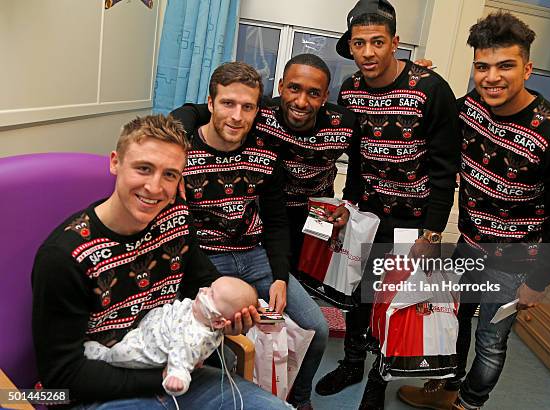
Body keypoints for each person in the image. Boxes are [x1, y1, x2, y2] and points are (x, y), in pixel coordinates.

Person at [31, 114, 289, 409]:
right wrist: (164, 377)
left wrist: (226, 317)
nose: (155, 188)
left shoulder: (175, 217)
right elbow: (61, 375)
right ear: (115, 162)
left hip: (175, 365)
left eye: (170, 174)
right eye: (144, 168)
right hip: (102, 386)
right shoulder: (66, 257)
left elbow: (203, 284)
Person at [397, 12, 550, 410]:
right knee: (455, 323)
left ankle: (469, 405)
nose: (491, 77)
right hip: (470, 246)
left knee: (490, 341)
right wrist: (419, 77)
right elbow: (429, 114)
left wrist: (539, 281)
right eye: (482, 66)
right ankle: (448, 388)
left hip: (517, 260)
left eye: (505, 66)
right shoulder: (469, 110)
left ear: (528, 68)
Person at [314, 1, 460, 409]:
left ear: (395, 42)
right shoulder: (351, 90)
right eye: (360, 43)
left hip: (413, 220)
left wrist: (432, 232)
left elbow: (446, 168)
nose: (369, 52)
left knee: (394, 300)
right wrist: (349, 207)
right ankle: (353, 362)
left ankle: (380, 378)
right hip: (369, 214)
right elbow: (356, 158)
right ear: (351, 48)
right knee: (357, 293)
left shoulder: (430, 89)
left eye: (378, 41)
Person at [173, 61, 330, 410]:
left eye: (248, 107)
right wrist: (216, 285)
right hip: (205, 259)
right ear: (210, 104)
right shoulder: (183, 152)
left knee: (317, 329)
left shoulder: (264, 151)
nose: (237, 116)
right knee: (215, 345)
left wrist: (278, 277)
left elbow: (275, 221)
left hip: (254, 255)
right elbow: (179, 230)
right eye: (228, 103)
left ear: (258, 110)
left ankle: (299, 400)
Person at [171, 53, 360, 276]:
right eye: (294, 88)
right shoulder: (261, 111)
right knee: (278, 270)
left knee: (308, 275)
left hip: (315, 211)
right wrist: (174, 141)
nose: (301, 101)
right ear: (281, 86)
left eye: (314, 93)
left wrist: (348, 205)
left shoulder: (344, 124)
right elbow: (197, 111)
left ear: (325, 96)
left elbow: (358, 170)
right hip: (271, 208)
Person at [83, 276, 258, 396]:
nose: (204, 290)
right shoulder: (202, 312)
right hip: (148, 330)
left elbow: (181, 354)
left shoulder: (194, 335)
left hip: (144, 350)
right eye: (210, 287)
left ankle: (102, 354)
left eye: (211, 294)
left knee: (119, 354)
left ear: (219, 323)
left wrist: (177, 376)